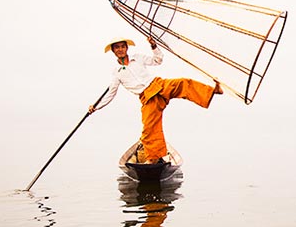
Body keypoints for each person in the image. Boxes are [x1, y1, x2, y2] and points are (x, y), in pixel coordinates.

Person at [89, 36, 223, 164]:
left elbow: (158, 60)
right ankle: (153, 158)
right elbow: (111, 94)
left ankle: (213, 91)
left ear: (126, 48)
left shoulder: (138, 58)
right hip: (147, 97)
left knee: (184, 83)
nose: (120, 49)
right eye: (117, 48)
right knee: (149, 129)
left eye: (122, 47)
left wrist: (153, 46)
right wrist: (95, 107)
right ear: (113, 51)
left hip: (158, 85)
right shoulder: (117, 72)